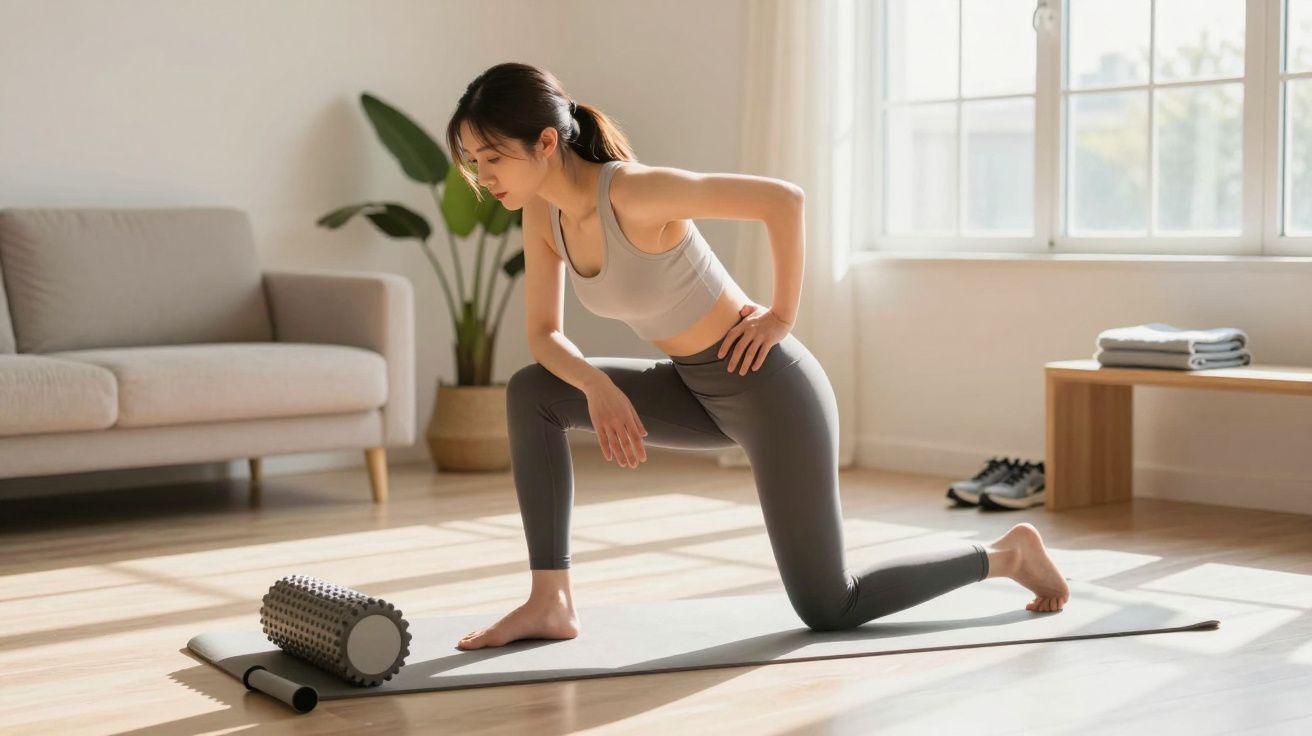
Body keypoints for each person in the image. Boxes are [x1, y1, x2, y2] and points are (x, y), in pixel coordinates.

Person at [445, 62, 1070, 651]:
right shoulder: (541, 215)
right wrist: (598, 387)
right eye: (475, 161)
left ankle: (1007, 556)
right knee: (533, 390)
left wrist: (781, 316)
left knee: (831, 606)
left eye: (494, 157)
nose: (484, 174)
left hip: (770, 389)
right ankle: (551, 601)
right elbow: (543, 335)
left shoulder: (635, 193)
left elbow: (783, 200)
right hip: (693, 389)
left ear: (547, 143)